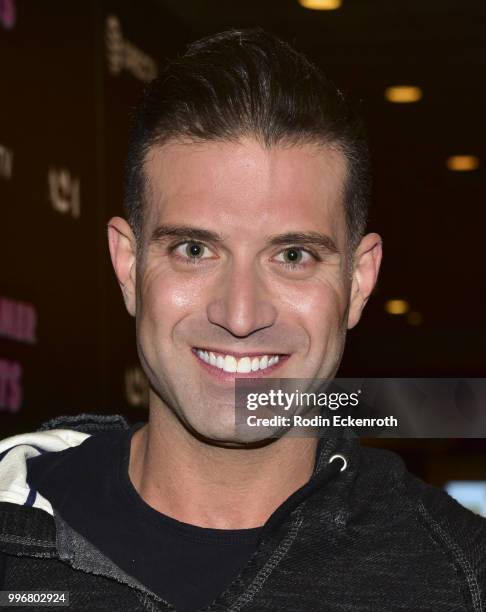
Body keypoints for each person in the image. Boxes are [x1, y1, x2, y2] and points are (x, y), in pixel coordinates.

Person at [0, 28, 485, 612]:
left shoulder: (459, 580)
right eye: (195, 251)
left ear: (359, 282)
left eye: (292, 256)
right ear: (128, 267)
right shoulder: (13, 545)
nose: (239, 315)